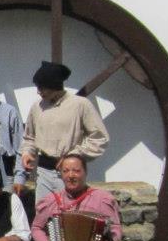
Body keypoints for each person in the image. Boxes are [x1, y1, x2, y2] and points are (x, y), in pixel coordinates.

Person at [20, 61, 109, 203]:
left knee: (69, 216)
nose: (38, 91)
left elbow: (100, 138)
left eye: (42, 88)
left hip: (69, 172)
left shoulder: (80, 104)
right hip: (43, 171)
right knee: (44, 214)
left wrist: (75, 154)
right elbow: (29, 137)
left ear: (54, 85)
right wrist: (27, 153)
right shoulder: (37, 107)